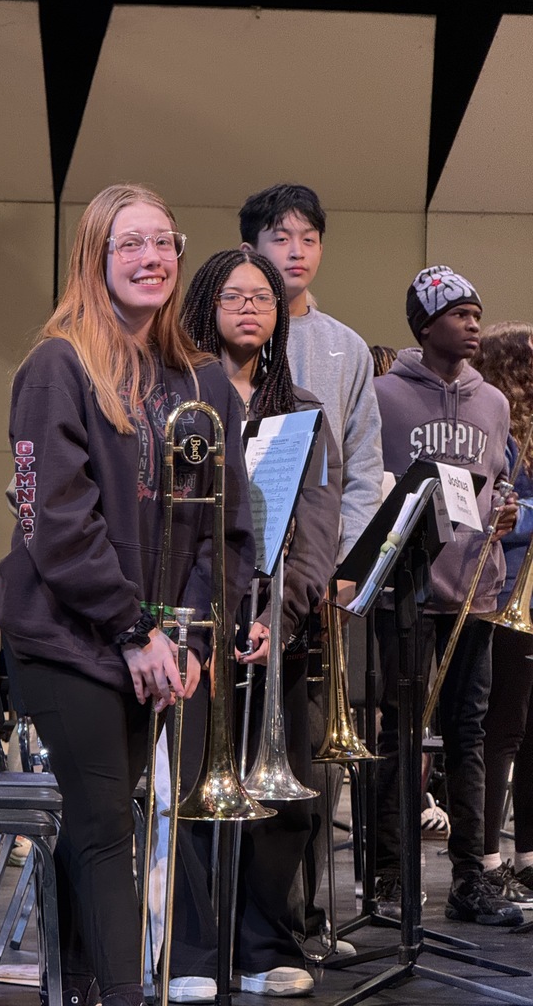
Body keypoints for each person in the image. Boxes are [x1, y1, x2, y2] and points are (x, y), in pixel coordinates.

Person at [0, 185, 255, 1006]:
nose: (152, 260)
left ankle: (81, 991)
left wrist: (192, 640)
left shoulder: (201, 380)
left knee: (104, 825)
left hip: (157, 645)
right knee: (107, 827)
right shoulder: (57, 365)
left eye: (164, 243)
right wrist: (135, 630)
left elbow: (227, 531)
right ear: (94, 258)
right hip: (68, 641)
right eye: (130, 244)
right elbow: (58, 525)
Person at [166, 249, 341, 1000]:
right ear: (204, 304)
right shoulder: (173, 397)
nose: (249, 309)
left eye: (263, 298)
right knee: (194, 793)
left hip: (278, 627)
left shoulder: (302, 409)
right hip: (195, 625)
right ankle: (193, 950)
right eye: (233, 296)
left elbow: (317, 529)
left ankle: (266, 943)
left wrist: (282, 608)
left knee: (279, 795)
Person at [239, 182, 383, 934]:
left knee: (310, 758)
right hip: (238, 577)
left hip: (318, 580)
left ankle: (306, 918)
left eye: (308, 238)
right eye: (280, 236)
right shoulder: (219, 336)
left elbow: (362, 467)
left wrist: (341, 565)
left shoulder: (346, 347)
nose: (295, 251)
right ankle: (238, 920)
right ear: (252, 247)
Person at [373, 265, 522, 926]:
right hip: (406, 593)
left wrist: (506, 514)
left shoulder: (494, 403)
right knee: (398, 736)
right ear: (426, 323)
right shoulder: (383, 395)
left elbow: (496, 483)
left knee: (466, 736)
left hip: (476, 591)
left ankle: (471, 879)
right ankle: (387, 875)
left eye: (477, 312)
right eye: (460, 313)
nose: (474, 324)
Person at [473, 320, 533, 905]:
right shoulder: (501, 434)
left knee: (528, 732)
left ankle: (527, 855)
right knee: (503, 731)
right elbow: (498, 514)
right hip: (506, 595)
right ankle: (487, 856)